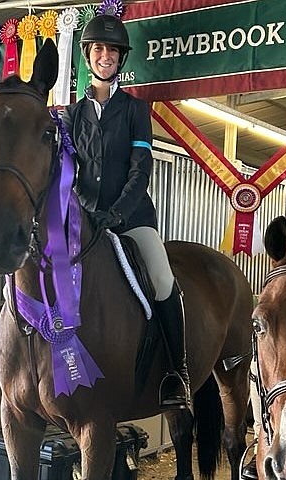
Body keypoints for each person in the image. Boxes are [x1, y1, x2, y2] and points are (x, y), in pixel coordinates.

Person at [60, 14, 190, 409]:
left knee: (163, 279)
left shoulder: (135, 109)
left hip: (131, 220)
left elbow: (141, 168)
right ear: (88, 56)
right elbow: (67, 171)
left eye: (112, 51)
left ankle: (175, 372)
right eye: (99, 49)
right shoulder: (71, 114)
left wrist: (115, 214)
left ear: (120, 59)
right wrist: (78, 210)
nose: (105, 56)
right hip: (84, 222)